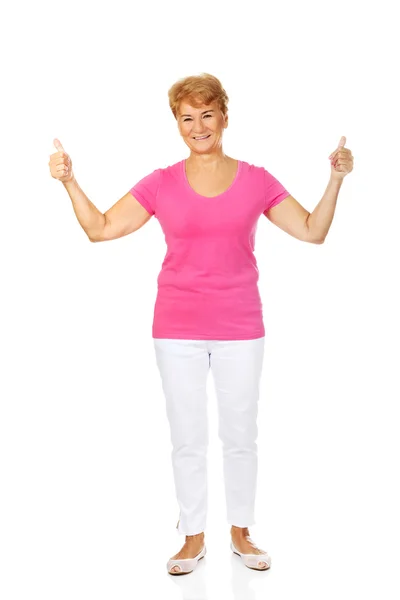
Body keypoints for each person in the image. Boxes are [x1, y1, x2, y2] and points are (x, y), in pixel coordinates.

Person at [49, 72, 354, 576]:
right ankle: (192, 537)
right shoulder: (161, 182)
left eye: (207, 114)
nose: (198, 125)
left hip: (240, 327)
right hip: (176, 329)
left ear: (224, 117)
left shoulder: (256, 178)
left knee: (240, 435)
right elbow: (100, 229)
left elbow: (312, 231)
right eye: (187, 117)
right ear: (177, 125)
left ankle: (240, 531)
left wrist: (336, 179)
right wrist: (68, 181)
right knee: (187, 436)